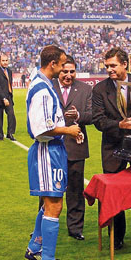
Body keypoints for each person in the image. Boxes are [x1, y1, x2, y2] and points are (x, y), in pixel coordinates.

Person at [23, 45, 82, 260]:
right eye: (62, 63)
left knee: (50, 202)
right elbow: (41, 129)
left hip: (52, 151)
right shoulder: (43, 89)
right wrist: (69, 130)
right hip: (48, 151)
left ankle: (34, 247)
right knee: (55, 205)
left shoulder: (41, 83)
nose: (64, 67)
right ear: (53, 64)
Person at [92, 47, 131, 250]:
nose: (109, 69)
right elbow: (98, 120)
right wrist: (119, 125)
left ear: (125, 64)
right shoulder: (100, 89)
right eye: (107, 66)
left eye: (113, 65)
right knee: (114, 193)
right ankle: (117, 236)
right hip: (113, 146)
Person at [51, 55, 92, 241]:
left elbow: (93, 116)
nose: (68, 75)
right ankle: (46, 223)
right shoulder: (48, 86)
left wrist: (80, 116)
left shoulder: (85, 89)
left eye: (72, 71)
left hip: (76, 147)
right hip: (53, 145)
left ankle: (75, 228)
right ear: (59, 70)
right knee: (50, 188)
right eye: (65, 71)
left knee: (75, 189)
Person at [0, 54, 16, 141]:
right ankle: (0, 136)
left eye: (6, 60)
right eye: (3, 61)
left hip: (8, 97)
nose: (5, 62)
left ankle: (10, 133)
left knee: (11, 115)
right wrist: (3, 98)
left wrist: (9, 97)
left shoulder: (9, 71)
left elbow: (9, 85)